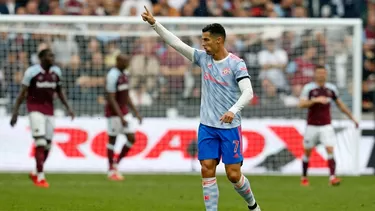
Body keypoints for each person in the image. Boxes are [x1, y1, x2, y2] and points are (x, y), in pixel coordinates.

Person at [141, 7, 261, 211]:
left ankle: (253, 205)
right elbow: (176, 43)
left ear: (218, 40)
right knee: (207, 169)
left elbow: (248, 92)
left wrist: (233, 110)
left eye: (206, 40)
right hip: (207, 126)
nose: (202, 44)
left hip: (230, 127)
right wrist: (155, 24)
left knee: (233, 174)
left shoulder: (236, 64)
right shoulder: (202, 58)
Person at [10, 49, 75, 188]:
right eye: (49, 56)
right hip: (35, 109)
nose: (52, 58)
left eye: (53, 55)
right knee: (40, 142)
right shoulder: (32, 72)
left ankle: (35, 172)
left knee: (48, 145)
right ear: (41, 58)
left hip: (49, 111)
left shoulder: (56, 72)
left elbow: (59, 91)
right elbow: (22, 93)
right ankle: (40, 176)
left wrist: (68, 108)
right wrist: (15, 112)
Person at [298, 65, 359, 186]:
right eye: (319, 73)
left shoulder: (331, 89)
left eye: (323, 73)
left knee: (330, 149)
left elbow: (340, 104)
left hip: (326, 125)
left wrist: (352, 118)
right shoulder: (309, 88)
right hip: (312, 125)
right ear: (315, 74)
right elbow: (301, 104)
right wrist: (315, 100)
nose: (321, 75)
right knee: (307, 152)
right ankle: (304, 177)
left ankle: (332, 177)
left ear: (326, 74)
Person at [105, 54, 142, 181]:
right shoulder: (112, 75)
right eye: (125, 61)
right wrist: (120, 116)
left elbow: (126, 95)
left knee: (132, 138)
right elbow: (111, 98)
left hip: (124, 111)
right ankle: (111, 171)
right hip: (114, 113)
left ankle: (115, 164)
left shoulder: (124, 74)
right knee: (112, 140)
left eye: (127, 61)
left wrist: (136, 112)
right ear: (118, 61)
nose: (127, 63)